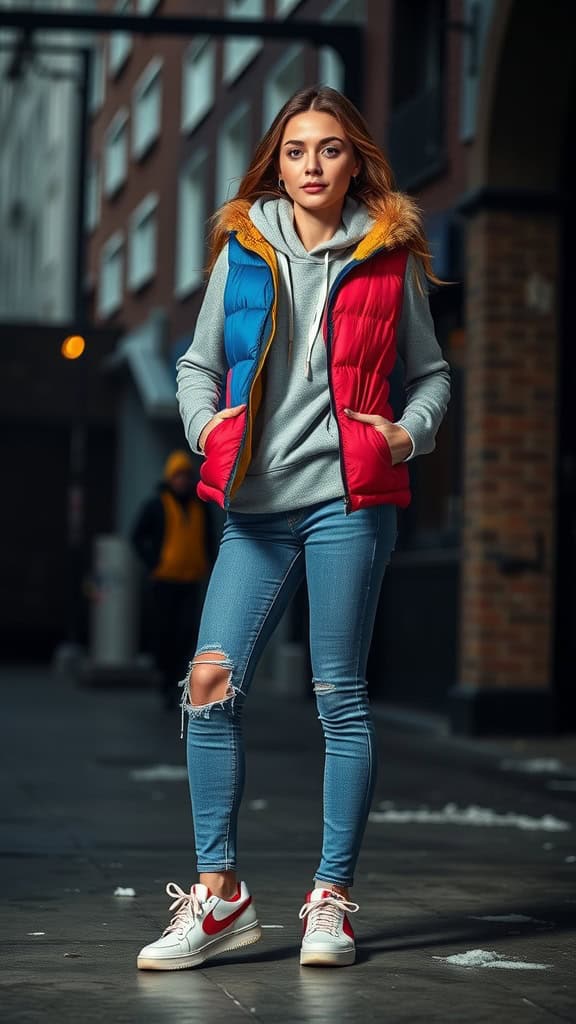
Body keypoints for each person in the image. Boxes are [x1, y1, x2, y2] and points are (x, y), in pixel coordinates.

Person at [136, 86, 450, 971]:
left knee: (338, 697)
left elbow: (431, 376)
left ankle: (331, 900)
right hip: (255, 508)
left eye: (332, 150)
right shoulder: (242, 249)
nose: (313, 166)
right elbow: (197, 362)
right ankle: (220, 896)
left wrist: (406, 432)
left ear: (356, 161)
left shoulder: (391, 258)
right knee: (207, 687)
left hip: (350, 502)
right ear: (276, 162)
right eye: (297, 151)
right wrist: (206, 428)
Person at [131, 450, 211, 709]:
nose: (183, 481)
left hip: (190, 580)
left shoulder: (200, 505)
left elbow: (208, 537)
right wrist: (154, 562)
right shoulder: (156, 505)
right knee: (164, 633)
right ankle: (166, 682)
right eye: (178, 476)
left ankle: (177, 681)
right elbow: (137, 537)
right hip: (164, 580)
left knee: (186, 634)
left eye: (186, 476)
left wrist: (208, 561)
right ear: (169, 478)